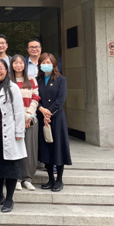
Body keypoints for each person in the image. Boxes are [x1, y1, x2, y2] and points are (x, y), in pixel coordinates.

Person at [0, 58, 26, 213]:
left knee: (11, 168)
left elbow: (19, 111)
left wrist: (19, 132)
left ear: (6, 71)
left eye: (1, 68)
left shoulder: (13, 88)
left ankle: (9, 199)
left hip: (10, 134)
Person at [37, 53, 71, 192]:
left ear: (54, 64)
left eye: (48, 62)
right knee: (46, 149)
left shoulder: (61, 79)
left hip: (56, 118)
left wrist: (49, 113)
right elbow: (35, 97)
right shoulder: (37, 79)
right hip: (42, 118)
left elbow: (60, 100)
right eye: (43, 62)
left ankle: (59, 180)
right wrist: (42, 110)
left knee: (58, 148)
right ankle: (50, 178)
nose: (46, 64)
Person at [9, 54, 40, 192]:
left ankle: (27, 178)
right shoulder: (8, 80)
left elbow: (36, 97)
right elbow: (9, 101)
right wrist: (23, 117)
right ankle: (16, 178)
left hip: (30, 120)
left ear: (24, 64)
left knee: (29, 149)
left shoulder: (31, 79)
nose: (18, 65)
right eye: (15, 62)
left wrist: (29, 115)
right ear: (11, 65)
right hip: (13, 120)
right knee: (16, 150)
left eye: (21, 62)